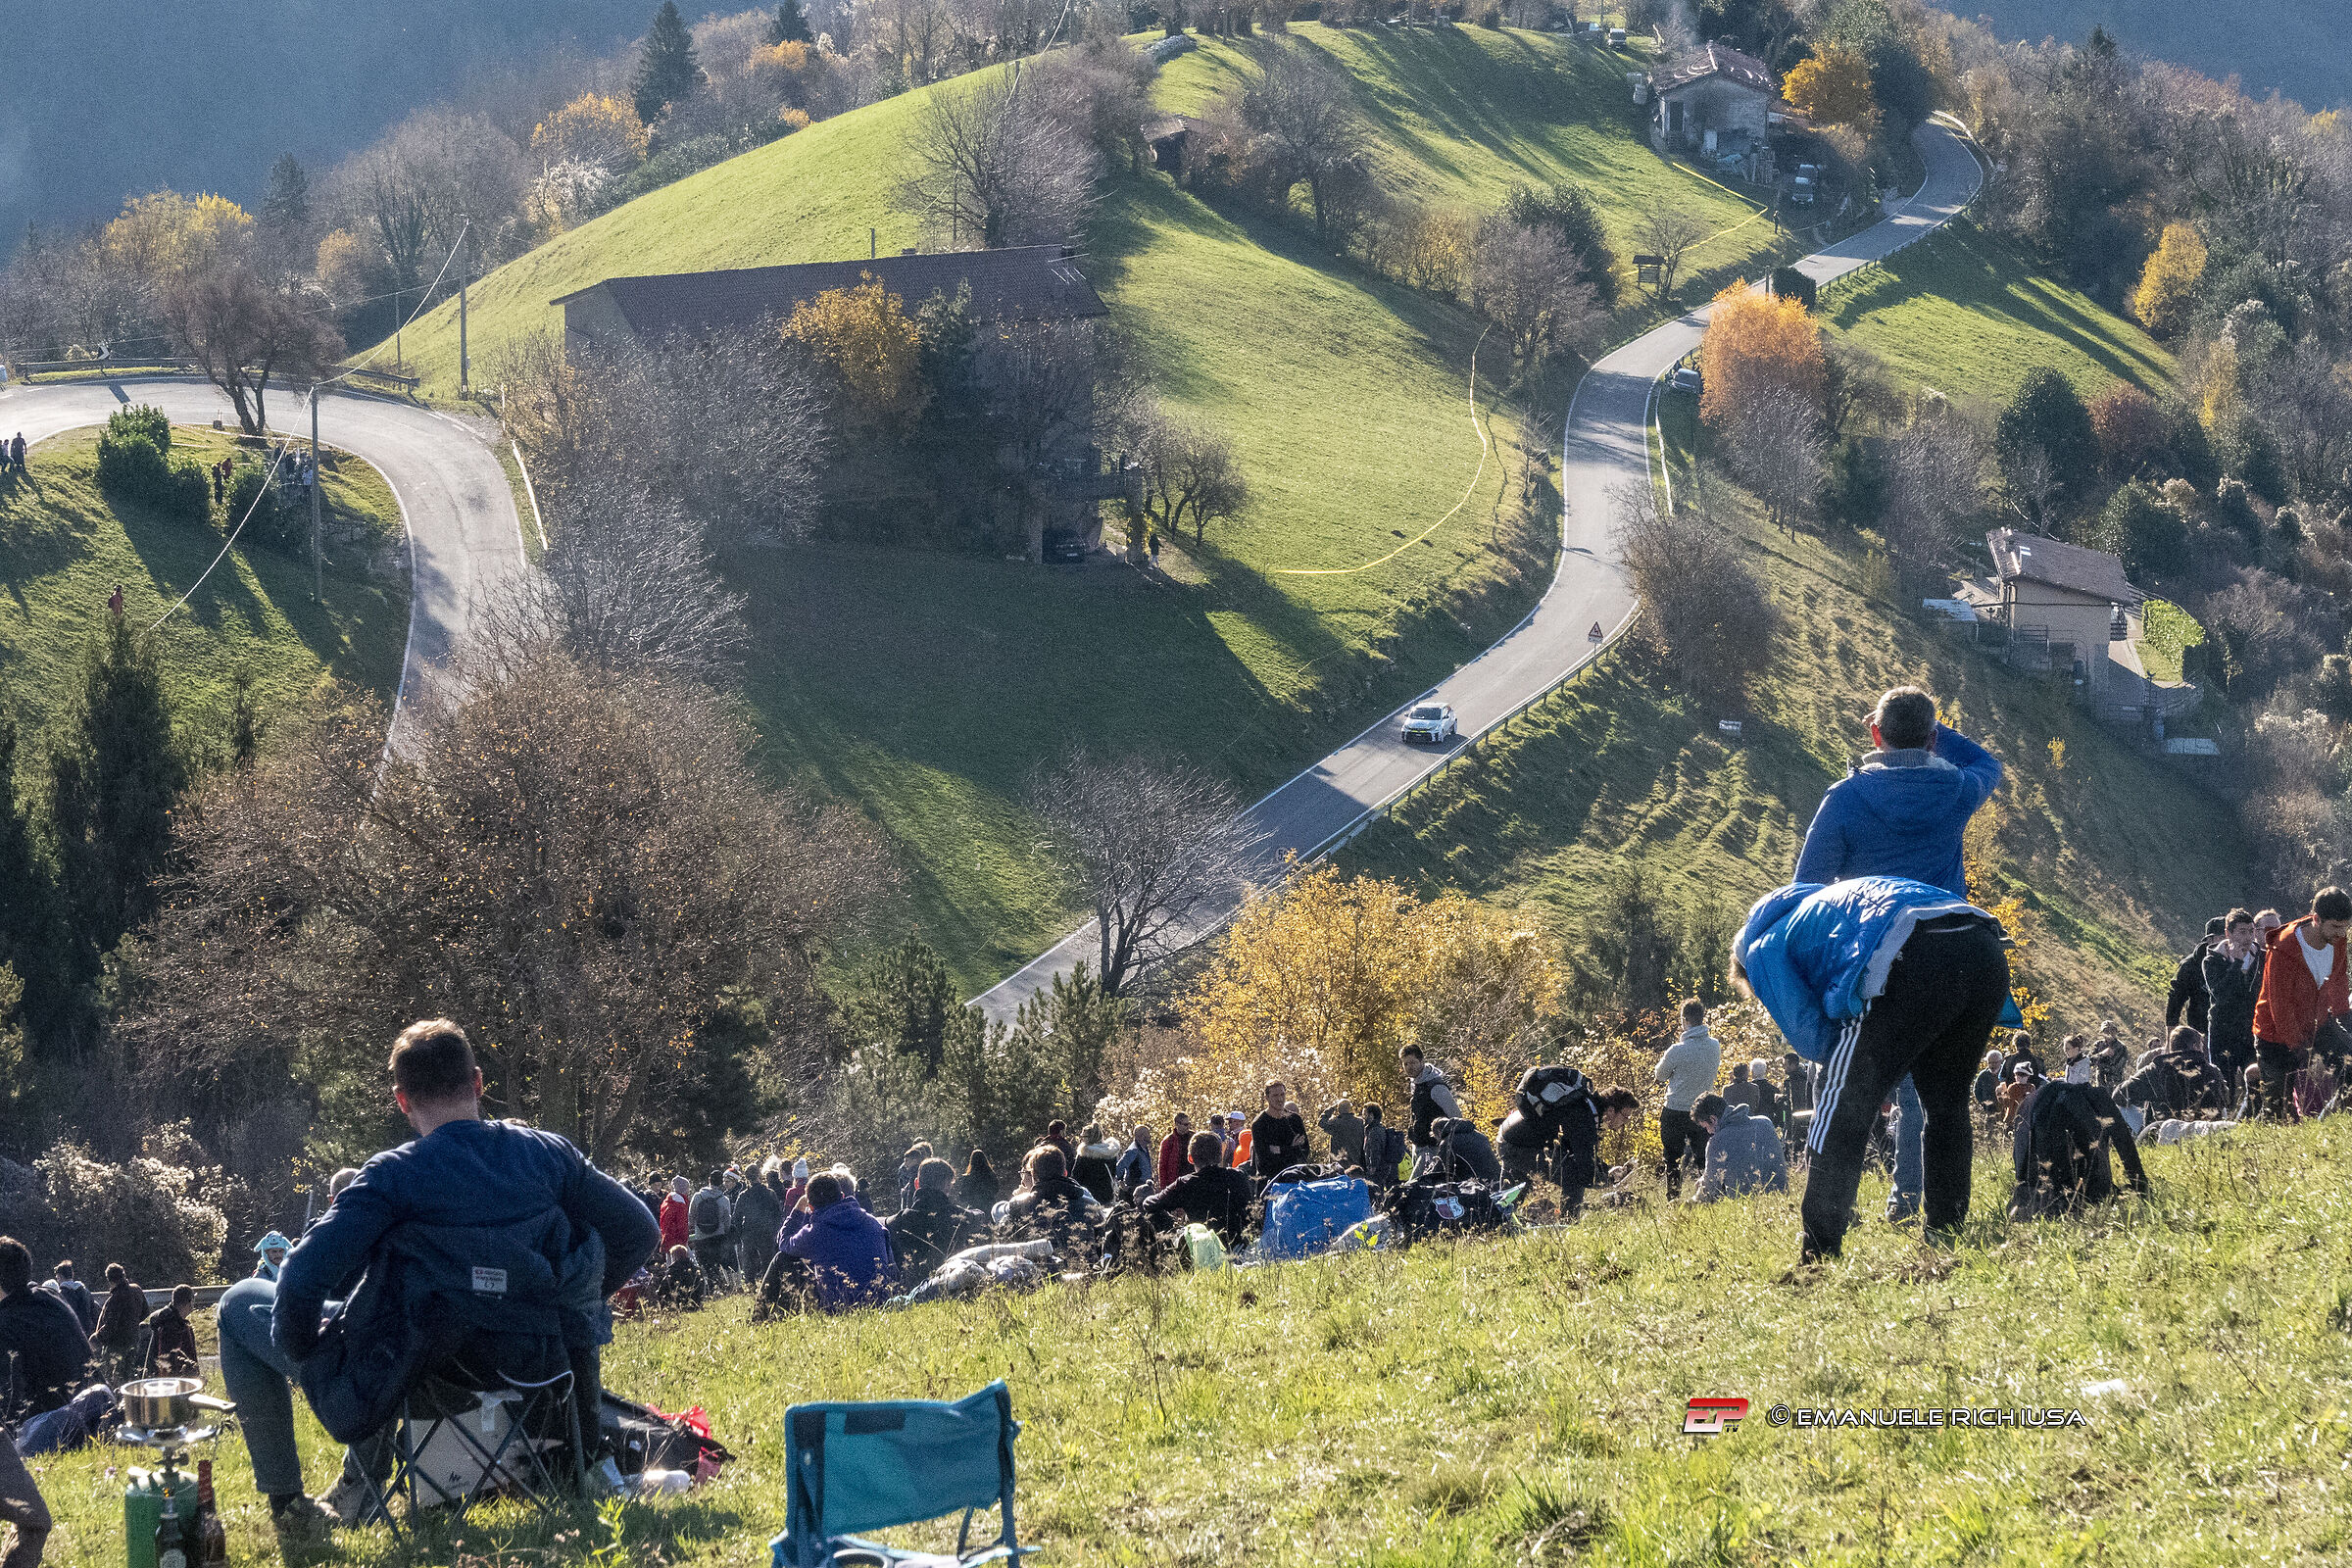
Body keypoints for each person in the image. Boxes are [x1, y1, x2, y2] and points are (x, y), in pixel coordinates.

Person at [217, 1018, 657, 1540]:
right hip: (538, 1366)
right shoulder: (548, 1154)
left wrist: (308, 1351)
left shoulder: (391, 1176)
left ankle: (291, 1507)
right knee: (380, 1313)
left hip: (416, 1374)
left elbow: (302, 1277)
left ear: (402, 1101)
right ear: (476, 1082)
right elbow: (640, 1232)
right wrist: (565, 1306)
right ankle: (358, 1481)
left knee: (239, 1302)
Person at [1738, 873, 2011, 1263]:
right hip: (1983, 945)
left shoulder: (1759, 948)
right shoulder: (1824, 904)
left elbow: (1813, 1038)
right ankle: (1944, 1230)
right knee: (1947, 1103)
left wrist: (1865, 1069)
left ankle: (1818, 1252)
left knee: (1843, 1103)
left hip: (1915, 954)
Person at [0, 1237, 81, 1568]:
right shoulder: (51, 1301)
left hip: (40, 1427)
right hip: (87, 1414)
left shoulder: (5, 1324)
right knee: (34, 1519)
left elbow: (9, 1400)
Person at [2251, 886, 2352, 1122]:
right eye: (2336, 927)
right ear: (2317, 919)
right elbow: (2280, 1008)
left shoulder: (2338, 939)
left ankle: (2332, 1123)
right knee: (2278, 1113)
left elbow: (2338, 982)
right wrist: (2304, 1051)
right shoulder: (2283, 950)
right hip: (2274, 1035)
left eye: (2346, 927)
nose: (2342, 933)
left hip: (2317, 1024)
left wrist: (2347, 1022)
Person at [1653, 1000, 1722, 1200]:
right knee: (1703, 1157)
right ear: (1702, 1018)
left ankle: (1673, 1197)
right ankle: (1708, 1195)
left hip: (1675, 1109)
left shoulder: (1677, 1050)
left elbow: (1660, 1075)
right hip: (1702, 1108)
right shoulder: (1714, 1046)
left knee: (1672, 1157)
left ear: (1684, 1020)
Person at [1141, 1132, 1255, 1249]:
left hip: (1203, 1248)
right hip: (1240, 1247)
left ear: (1190, 1158)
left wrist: (1147, 1195)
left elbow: (1149, 1204)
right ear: (1221, 1155)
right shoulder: (1237, 1176)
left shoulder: (1185, 1183)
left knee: (1152, 1215)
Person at [886, 1159, 979, 1281]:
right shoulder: (960, 1218)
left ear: (916, 1184)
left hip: (907, 1294)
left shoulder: (893, 1223)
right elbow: (979, 1216)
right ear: (947, 1185)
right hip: (950, 1290)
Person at [2117, 1026, 2231, 1123]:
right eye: (2201, 1046)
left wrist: (2146, 1098)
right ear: (2196, 1046)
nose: (2203, 1049)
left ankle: (2144, 1138)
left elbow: (2119, 1096)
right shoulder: (2212, 1071)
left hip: (2166, 1134)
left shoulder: (2155, 1069)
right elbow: (2225, 1101)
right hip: (2206, 1131)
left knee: (2122, 1107)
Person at [1690, 1093, 1789, 1202]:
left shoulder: (1717, 1141)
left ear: (1713, 1119)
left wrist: (1691, 1201)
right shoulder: (1765, 1122)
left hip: (1747, 1206)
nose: (1709, 1132)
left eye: (1706, 1127)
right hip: (1781, 1200)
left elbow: (1710, 1190)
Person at [2203, 908, 2265, 1087]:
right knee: (2223, 1084)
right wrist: (2236, 964)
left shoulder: (2262, 958)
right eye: (2242, 932)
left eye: (2251, 931)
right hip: (2223, 1031)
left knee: (2257, 1083)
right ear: (2228, 934)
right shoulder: (2212, 960)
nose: (2248, 937)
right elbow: (2221, 994)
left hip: (2251, 1030)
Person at [1005, 1147, 1103, 1256]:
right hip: (1085, 1270)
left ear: (1034, 1176)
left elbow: (1006, 1249)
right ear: (1065, 1172)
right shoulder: (1092, 1205)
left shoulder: (1018, 1207)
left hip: (1041, 1270)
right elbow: (1102, 1249)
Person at [1400, 1046, 1462, 1178]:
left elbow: (1456, 1116)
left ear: (1422, 1061)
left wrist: (1446, 1141)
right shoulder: (1416, 1085)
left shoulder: (1435, 1087)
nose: (1409, 1067)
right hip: (1418, 1146)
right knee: (1422, 1187)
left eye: (1412, 1063)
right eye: (1405, 1064)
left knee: (1416, 1184)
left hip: (1431, 1148)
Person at [2168, 917, 2227, 1033]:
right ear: (2209, 939)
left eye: (2229, 938)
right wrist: (2170, 1038)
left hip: (2235, 1033)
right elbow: (2175, 1000)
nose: (2226, 943)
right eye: (2222, 938)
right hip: (2201, 1031)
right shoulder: (2190, 966)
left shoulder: (2240, 961)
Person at [733, 1160, 785, 1289]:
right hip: (767, 1232)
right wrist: (775, 1230)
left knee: (749, 1263)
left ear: (746, 1178)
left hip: (749, 1232)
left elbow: (736, 1217)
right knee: (767, 1260)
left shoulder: (743, 1195)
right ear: (759, 1175)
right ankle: (769, 1285)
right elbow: (778, 1214)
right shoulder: (770, 1193)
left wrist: (740, 1234)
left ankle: (751, 1286)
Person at [1250, 1082, 1311, 1183]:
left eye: (1282, 1094)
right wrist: (1292, 1149)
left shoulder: (1295, 1120)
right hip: (1270, 1183)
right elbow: (1265, 1160)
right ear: (1267, 1098)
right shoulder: (1259, 1123)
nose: (1280, 1099)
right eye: (1275, 1095)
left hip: (1295, 1179)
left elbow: (1304, 1152)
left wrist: (1279, 1150)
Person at [92, 1264, 146, 1383]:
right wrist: (132, 1324)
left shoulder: (115, 1299)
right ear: (123, 1275)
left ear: (110, 1280)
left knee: (112, 1378)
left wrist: (96, 1338)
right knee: (129, 1377)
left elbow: (110, 1326)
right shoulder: (136, 1290)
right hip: (133, 1340)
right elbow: (145, 1312)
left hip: (116, 1346)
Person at [142, 1286, 200, 1377]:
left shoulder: (159, 1316)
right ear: (190, 1302)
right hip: (170, 1381)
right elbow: (170, 1357)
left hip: (150, 1373)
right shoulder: (174, 1325)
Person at [687, 1170, 732, 1286]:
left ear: (709, 1180)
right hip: (718, 1237)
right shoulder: (724, 1199)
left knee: (707, 1267)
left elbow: (691, 1217)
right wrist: (725, 1232)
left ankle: (711, 1290)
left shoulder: (697, 1196)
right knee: (718, 1265)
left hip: (701, 1237)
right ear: (721, 1182)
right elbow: (727, 1220)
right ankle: (722, 1287)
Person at [1426, 1117, 1502, 1185]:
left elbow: (1438, 1171)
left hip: (1477, 1185)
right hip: (1496, 1180)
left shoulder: (1448, 1142)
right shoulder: (1480, 1135)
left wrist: (1426, 1175)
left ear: (1439, 1132)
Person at [1360, 1103, 1407, 1193]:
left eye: (1365, 1114)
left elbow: (1375, 1149)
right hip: (1383, 1165)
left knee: (1375, 1190)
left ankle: (1379, 1205)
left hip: (1378, 1167)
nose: (1363, 1117)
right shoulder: (1379, 1128)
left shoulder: (1374, 1131)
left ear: (1371, 1115)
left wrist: (1373, 1166)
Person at [40, 1264, 94, 1340]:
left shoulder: (61, 1295)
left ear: (60, 1276)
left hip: (70, 1336)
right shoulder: (86, 1292)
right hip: (86, 1334)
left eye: (57, 1277)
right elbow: (94, 1313)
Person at [1072, 1125, 1121, 1205]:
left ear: (1091, 1137)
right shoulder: (1111, 1153)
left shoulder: (1084, 1154)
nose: (1082, 1139)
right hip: (1107, 1195)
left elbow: (1076, 1176)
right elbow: (1114, 1173)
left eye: (1084, 1136)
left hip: (1088, 1197)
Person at [649, 1246, 705, 1311]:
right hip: (696, 1302)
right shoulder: (697, 1269)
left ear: (675, 1257)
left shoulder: (672, 1271)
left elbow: (663, 1289)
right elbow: (702, 1286)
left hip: (678, 1303)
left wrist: (658, 1294)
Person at [1318, 1099, 1366, 1170]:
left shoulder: (1335, 1122)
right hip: (1357, 1161)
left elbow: (1321, 1122)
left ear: (1338, 1110)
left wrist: (1331, 1109)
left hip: (1339, 1162)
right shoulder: (1360, 1122)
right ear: (1350, 1109)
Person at [1113, 1124, 1155, 1197]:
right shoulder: (1133, 1150)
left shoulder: (1143, 1148)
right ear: (1141, 1136)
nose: (1150, 1136)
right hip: (1135, 1189)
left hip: (1144, 1188)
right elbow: (1119, 1167)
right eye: (1148, 1134)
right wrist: (1123, 1185)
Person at [1155, 1114, 1195, 1190]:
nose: (1188, 1127)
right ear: (1177, 1124)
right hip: (1175, 1182)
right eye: (1185, 1124)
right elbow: (1162, 1165)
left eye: (1189, 1124)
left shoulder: (1193, 1137)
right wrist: (1163, 1187)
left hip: (1192, 1179)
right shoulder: (1168, 1141)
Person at [895, 1145, 932, 1213]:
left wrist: (907, 1213)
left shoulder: (915, 1174)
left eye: (907, 1161)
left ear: (914, 1160)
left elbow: (911, 1196)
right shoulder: (921, 1171)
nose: (905, 1164)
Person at [658, 1176, 691, 1255]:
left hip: (667, 1237)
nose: (688, 1190)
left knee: (670, 1263)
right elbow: (682, 1225)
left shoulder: (667, 1201)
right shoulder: (680, 1204)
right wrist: (684, 1239)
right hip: (678, 1240)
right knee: (683, 1261)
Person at [1972, 1050, 2003, 1123]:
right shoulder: (1983, 1075)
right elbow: (1976, 1090)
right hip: (1989, 1111)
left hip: (2004, 1111)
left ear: (2001, 1061)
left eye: (1995, 1063)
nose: (1992, 1066)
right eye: (1990, 1063)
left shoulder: (2006, 1073)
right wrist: (1984, 1104)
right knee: (1990, 1132)